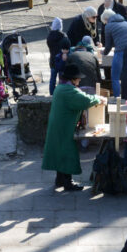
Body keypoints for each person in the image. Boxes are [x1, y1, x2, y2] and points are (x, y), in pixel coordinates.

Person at [42, 63, 105, 192]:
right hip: (64, 127)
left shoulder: (61, 88)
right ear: (72, 78)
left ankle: (59, 179)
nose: (80, 80)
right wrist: (99, 99)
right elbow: (85, 100)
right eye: (78, 78)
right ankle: (68, 183)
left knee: (60, 152)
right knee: (67, 152)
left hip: (58, 125)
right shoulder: (68, 91)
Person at [102, 9, 127, 97]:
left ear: (106, 19)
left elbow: (108, 45)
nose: (105, 23)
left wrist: (103, 53)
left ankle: (117, 99)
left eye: (104, 21)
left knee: (115, 77)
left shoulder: (109, 26)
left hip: (120, 52)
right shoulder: (126, 23)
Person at [46, 17, 69, 94]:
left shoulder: (49, 37)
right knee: (61, 79)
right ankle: (60, 93)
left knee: (52, 79)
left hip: (53, 59)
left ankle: (51, 94)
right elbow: (68, 46)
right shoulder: (63, 36)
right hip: (61, 60)